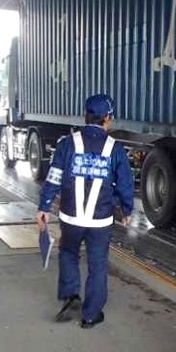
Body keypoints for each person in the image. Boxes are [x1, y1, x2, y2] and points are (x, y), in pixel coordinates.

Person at [36, 94, 134, 329]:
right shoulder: (116, 150)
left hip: (71, 217)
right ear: (107, 118)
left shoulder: (67, 144)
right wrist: (127, 209)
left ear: (85, 116)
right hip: (100, 220)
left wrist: (44, 206)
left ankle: (71, 297)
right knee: (97, 263)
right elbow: (125, 184)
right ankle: (90, 316)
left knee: (68, 253)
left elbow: (54, 177)